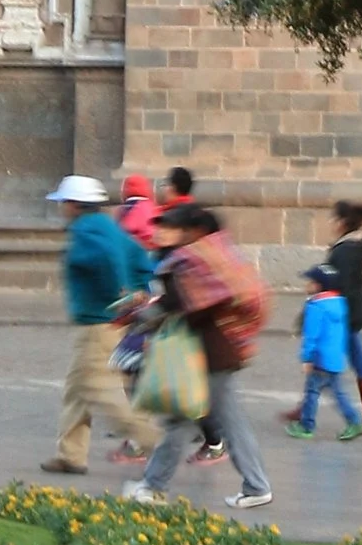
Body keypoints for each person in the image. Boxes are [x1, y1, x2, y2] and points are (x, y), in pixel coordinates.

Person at [124, 200, 273, 513]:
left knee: (183, 423)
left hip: (210, 353)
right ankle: (256, 486)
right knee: (225, 422)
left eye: (171, 227)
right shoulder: (203, 258)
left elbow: (186, 305)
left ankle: (153, 487)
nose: (162, 232)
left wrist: (146, 314)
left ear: (192, 231)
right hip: (216, 351)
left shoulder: (192, 262)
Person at [41, 172, 149, 477]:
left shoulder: (88, 231)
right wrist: (140, 290)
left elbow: (111, 262)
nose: (62, 207)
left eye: (64, 202)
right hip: (104, 321)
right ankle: (71, 455)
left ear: (75, 204)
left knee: (100, 390)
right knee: (77, 392)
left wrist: (121, 295)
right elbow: (140, 259)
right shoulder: (108, 228)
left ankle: (157, 441)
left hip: (98, 324)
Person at [285, 266, 362, 439]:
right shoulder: (340, 303)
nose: (307, 285)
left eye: (311, 282)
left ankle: (306, 427)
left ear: (319, 285)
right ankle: (354, 421)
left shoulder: (315, 307)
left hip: (319, 359)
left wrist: (306, 358)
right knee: (338, 392)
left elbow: (311, 336)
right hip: (335, 358)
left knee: (312, 392)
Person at [322, 199, 362, 435]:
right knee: (359, 363)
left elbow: (338, 284)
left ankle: (308, 411)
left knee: (323, 366)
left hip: (339, 314)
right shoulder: (358, 247)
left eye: (335, 219)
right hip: (354, 312)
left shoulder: (343, 251)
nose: (332, 223)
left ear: (343, 222)